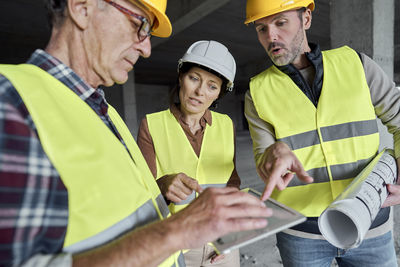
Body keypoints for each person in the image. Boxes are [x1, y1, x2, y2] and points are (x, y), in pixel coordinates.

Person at [0, 0, 273, 266]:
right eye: (139, 24)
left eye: (212, 87)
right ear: (82, 7)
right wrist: (176, 231)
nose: (146, 49)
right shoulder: (10, 102)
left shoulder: (106, 113)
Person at [243, 0, 400, 266]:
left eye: (281, 23)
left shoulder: (357, 65)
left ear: (305, 19)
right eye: (261, 29)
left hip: (369, 224)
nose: (271, 36)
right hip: (301, 233)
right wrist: (272, 155)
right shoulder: (257, 92)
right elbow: (262, 157)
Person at [137, 40, 240, 267]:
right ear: (181, 76)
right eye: (194, 78)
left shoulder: (225, 124)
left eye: (212, 86)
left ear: (219, 94)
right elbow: (141, 195)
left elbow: (232, 184)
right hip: (175, 246)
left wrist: (232, 237)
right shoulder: (151, 125)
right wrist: (163, 185)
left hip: (222, 243)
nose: (199, 92)